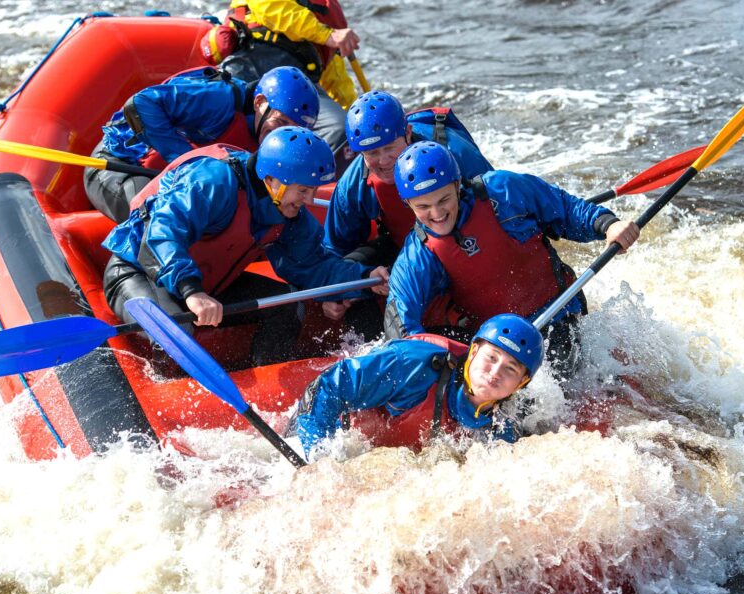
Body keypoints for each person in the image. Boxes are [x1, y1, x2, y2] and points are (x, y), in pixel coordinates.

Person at [101, 126, 388, 368]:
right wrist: (192, 291)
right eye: (303, 190)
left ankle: (269, 390)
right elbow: (162, 234)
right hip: (138, 272)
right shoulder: (214, 182)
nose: (309, 200)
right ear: (272, 181)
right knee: (174, 336)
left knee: (287, 305)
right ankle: (172, 399)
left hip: (208, 284)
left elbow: (314, 266)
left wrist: (364, 278)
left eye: (311, 191)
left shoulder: (287, 213)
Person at [385, 141, 641, 379]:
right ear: (408, 204)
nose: (437, 213)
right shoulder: (417, 255)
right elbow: (401, 323)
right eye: (424, 207)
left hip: (556, 315)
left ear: (457, 185)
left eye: (444, 200)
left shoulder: (503, 191)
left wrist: (608, 225)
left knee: (561, 375)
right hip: (496, 347)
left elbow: (566, 209)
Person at [319, 90, 494, 336]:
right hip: (404, 246)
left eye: (390, 148)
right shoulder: (354, 185)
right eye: (372, 153)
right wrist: (335, 292)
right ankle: (370, 347)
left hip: (465, 240)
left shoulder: (455, 153)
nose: (384, 161)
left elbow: (498, 213)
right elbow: (334, 251)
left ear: (408, 134)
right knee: (349, 276)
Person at [85, 65, 319, 223]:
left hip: (167, 181)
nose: (280, 134)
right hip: (117, 166)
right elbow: (140, 105)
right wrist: (189, 163)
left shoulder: (274, 139)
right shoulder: (219, 99)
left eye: (291, 129)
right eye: (280, 121)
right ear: (259, 103)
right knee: (164, 217)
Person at [295, 313, 544, 459]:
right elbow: (326, 387)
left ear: (521, 383)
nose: (495, 372)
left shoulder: (502, 428)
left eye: (510, 368)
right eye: (491, 357)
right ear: (474, 352)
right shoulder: (412, 365)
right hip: (318, 432)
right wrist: (321, 463)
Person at [216, 0, 360, 161]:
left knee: (340, 129)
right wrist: (326, 34)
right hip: (249, 62)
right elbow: (270, 7)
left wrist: (358, 119)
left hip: (297, 82)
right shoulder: (326, 32)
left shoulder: (331, 16)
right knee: (221, 103)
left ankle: (313, 181)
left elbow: (338, 80)